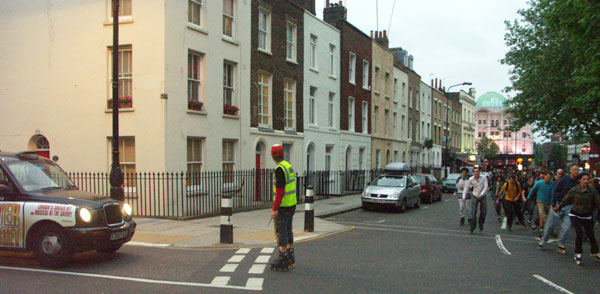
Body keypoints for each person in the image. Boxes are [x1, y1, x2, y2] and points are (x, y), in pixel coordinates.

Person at [557, 172, 600, 266]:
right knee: (579, 232)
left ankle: (595, 251)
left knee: (590, 234)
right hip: (575, 214)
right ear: (579, 180)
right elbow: (566, 199)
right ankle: (578, 253)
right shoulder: (574, 190)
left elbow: (598, 201)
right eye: (584, 179)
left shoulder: (592, 191)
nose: (586, 181)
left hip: (586, 215)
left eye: (587, 179)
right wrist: (559, 207)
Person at [268, 144, 297, 270]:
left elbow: (280, 191)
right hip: (292, 204)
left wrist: (274, 209)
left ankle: (283, 257)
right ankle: (290, 255)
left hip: (283, 205)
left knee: (281, 231)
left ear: (273, 155)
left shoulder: (279, 169)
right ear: (283, 154)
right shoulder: (288, 166)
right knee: (289, 229)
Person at [538, 165, 579, 253]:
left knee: (566, 226)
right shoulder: (564, 180)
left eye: (578, 170)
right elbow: (556, 190)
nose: (577, 171)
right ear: (570, 170)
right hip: (558, 205)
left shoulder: (578, 182)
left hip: (570, 207)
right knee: (550, 225)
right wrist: (554, 202)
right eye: (575, 169)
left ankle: (561, 242)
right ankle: (543, 240)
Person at [527, 172, 555, 236]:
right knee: (542, 214)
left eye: (550, 178)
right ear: (544, 176)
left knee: (550, 216)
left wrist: (553, 202)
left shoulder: (552, 184)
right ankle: (541, 228)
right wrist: (529, 197)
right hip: (540, 201)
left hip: (549, 202)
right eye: (547, 177)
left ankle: (549, 228)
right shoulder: (539, 183)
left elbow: (553, 193)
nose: (548, 179)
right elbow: (533, 190)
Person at [463, 167, 488, 234]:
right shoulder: (471, 179)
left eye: (477, 171)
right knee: (473, 212)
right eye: (475, 171)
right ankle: (472, 227)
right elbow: (466, 188)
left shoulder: (484, 178)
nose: (476, 173)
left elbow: (486, 187)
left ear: (479, 172)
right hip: (474, 195)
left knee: (483, 211)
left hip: (482, 196)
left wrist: (481, 194)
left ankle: (481, 224)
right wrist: (464, 196)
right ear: (473, 173)